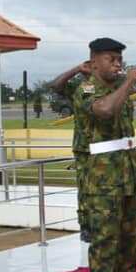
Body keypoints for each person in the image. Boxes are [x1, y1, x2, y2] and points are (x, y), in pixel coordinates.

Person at [74, 37, 136, 272]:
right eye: (111, 59)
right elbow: (105, 111)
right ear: (94, 63)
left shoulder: (117, 89)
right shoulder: (87, 90)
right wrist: (129, 82)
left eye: (119, 59)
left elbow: (126, 141)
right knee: (105, 244)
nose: (118, 64)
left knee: (129, 244)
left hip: (127, 175)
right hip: (101, 182)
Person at [52, 61, 93, 242]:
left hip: (109, 148)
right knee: (86, 188)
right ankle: (86, 226)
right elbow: (57, 85)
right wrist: (76, 69)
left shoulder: (114, 86)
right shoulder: (79, 89)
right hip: (85, 147)